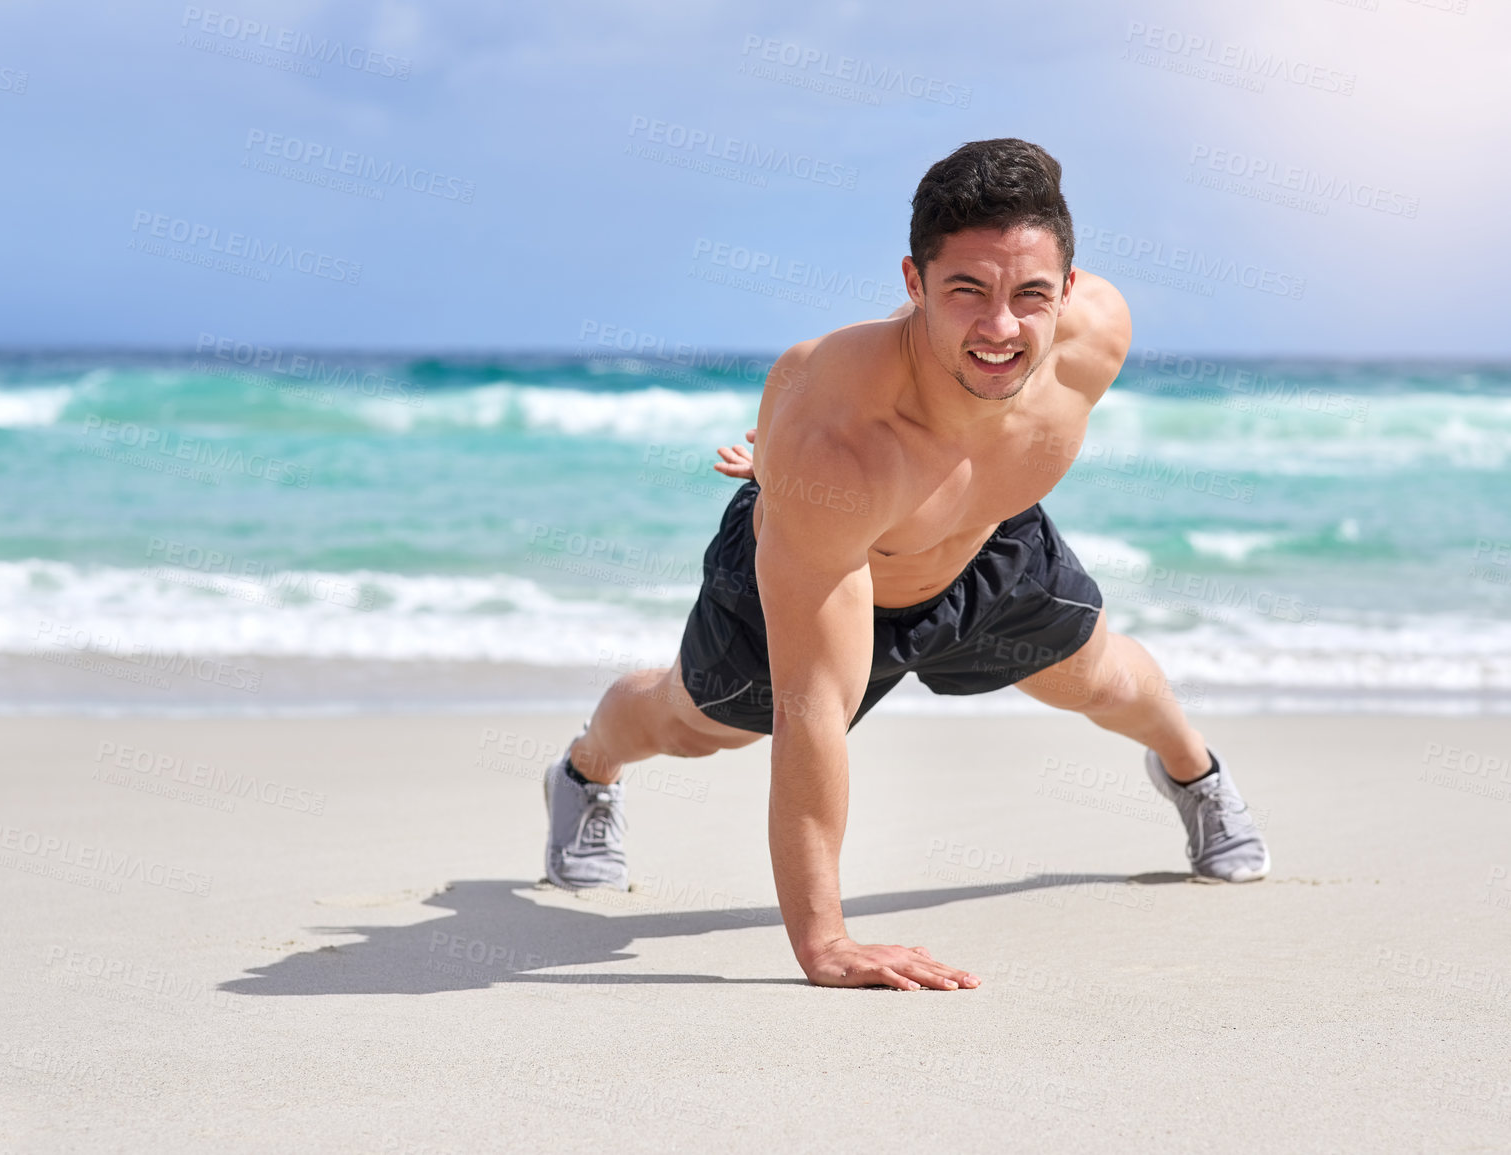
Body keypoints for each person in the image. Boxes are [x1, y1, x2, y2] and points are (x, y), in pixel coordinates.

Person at [543, 138, 1269, 991]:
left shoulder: (1093, 337)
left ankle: (1196, 776)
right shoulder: (839, 442)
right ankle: (585, 770)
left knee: (1101, 676)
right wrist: (825, 944)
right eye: (966, 290)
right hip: (835, 546)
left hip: (984, 537)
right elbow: (813, 704)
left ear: (1068, 289)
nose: (1001, 328)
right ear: (913, 282)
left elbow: (989, 410)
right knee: (692, 724)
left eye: (1029, 294)